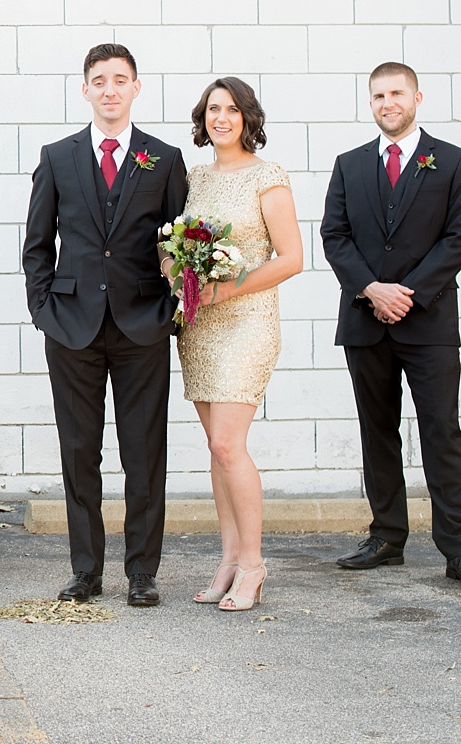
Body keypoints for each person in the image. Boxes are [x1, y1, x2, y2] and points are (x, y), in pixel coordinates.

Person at [23, 42, 187, 607]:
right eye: (100, 80)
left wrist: (169, 311)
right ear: (86, 89)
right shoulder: (58, 156)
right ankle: (85, 570)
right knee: (79, 452)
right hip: (71, 326)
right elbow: (37, 244)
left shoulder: (162, 159)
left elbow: (182, 243)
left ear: (136, 87)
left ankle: (142, 572)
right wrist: (43, 310)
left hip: (143, 324)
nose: (110, 89)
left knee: (144, 453)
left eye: (120, 79)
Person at [320, 62, 461, 590]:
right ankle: (387, 537)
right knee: (378, 433)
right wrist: (371, 289)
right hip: (365, 320)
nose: (386, 103)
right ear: (369, 103)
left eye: (396, 93)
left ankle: (460, 552)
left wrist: (407, 294)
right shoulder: (349, 165)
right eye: (377, 96)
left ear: (417, 97)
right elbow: (335, 235)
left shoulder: (453, 162)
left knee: (442, 432)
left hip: (429, 321)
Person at [172, 78, 303, 613]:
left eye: (230, 109)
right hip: (200, 325)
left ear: (248, 116)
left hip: (247, 321)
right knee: (215, 448)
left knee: (230, 445)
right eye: (211, 110)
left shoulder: (268, 176)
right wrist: (177, 273)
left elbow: (290, 258)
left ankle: (253, 563)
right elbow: (176, 243)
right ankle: (228, 560)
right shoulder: (195, 178)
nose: (220, 118)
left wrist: (227, 287)